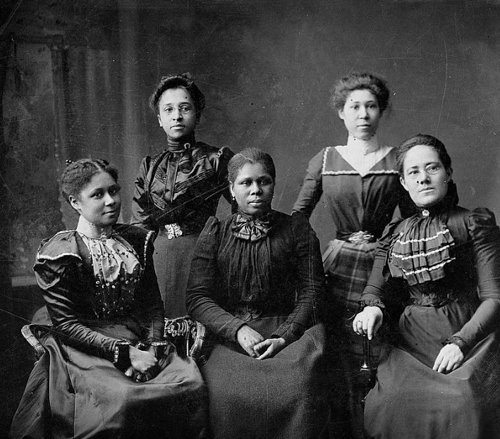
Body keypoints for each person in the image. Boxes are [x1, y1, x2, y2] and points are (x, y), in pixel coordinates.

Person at [10, 159, 207, 439]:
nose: (111, 201)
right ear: (75, 202)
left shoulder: (135, 240)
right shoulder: (60, 252)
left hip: (135, 335)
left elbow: (152, 305)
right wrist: (125, 353)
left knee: (189, 384)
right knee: (122, 399)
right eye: (98, 194)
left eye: (113, 191)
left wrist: (153, 346)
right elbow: (66, 325)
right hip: (82, 346)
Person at [353, 134, 500, 439]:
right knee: (392, 404)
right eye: (414, 172)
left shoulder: (473, 222)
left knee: (463, 403)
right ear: (404, 183)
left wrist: (461, 343)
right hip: (410, 341)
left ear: (448, 172)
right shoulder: (395, 232)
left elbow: (494, 297)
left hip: (468, 333)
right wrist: (372, 310)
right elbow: (374, 290)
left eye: (432, 168)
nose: (423, 178)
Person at [292, 72, 412, 436]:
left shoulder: (397, 159)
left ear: (381, 112)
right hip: (337, 265)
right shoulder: (326, 158)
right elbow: (298, 219)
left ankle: (373, 425)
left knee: (377, 349)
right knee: (334, 350)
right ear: (341, 112)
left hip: (381, 263)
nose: (363, 114)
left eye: (371, 106)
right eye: (354, 106)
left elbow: (412, 220)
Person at [186, 148, 330, 439]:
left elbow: (313, 291)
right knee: (224, 393)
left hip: (287, 334)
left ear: (273, 185)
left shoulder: (296, 229)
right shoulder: (215, 231)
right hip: (229, 339)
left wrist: (283, 337)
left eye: (263, 181)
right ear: (231, 188)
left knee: (299, 387)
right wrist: (237, 330)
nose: (255, 190)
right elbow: (197, 297)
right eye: (246, 183)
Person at [131, 72, 234, 318]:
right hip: (158, 258)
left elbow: (241, 212)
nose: (176, 116)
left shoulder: (216, 159)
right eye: (168, 110)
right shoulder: (149, 166)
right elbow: (139, 225)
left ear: (197, 114)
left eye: (185, 108)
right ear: (160, 119)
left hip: (203, 256)